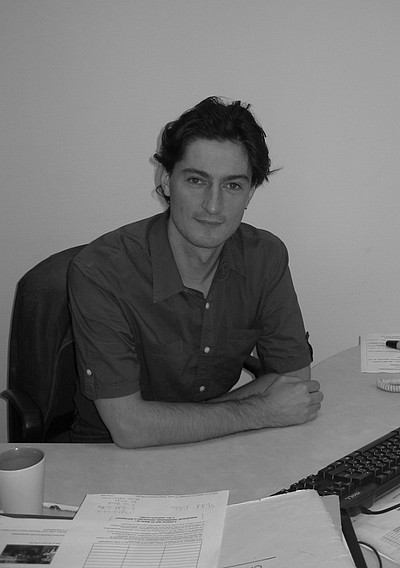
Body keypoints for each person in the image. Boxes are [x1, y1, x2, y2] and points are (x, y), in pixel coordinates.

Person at [68, 96, 323, 448]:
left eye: (232, 185)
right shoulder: (101, 273)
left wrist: (182, 424)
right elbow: (129, 427)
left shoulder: (265, 257)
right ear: (166, 180)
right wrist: (260, 410)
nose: (213, 206)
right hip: (108, 458)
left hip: (217, 447)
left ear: (250, 192)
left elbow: (294, 382)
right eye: (196, 181)